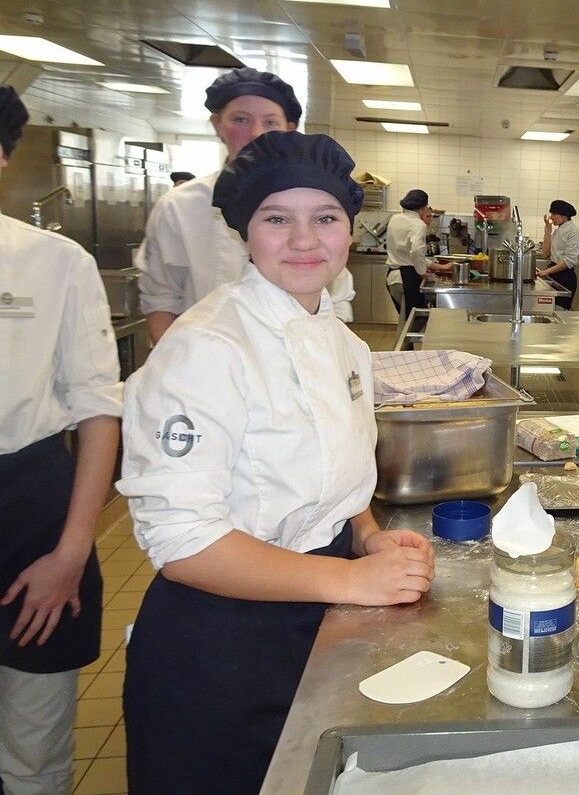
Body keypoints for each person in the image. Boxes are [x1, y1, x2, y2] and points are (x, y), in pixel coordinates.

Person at [118, 131, 436, 795]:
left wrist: (367, 536)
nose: (304, 240)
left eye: (325, 217)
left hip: (315, 620)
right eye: (276, 219)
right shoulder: (206, 347)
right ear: (245, 233)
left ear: (349, 230)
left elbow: (336, 477)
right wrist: (352, 580)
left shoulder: (344, 344)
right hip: (219, 642)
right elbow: (183, 543)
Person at [0, 85, 122, 794]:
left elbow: (98, 410)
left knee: (31, 747)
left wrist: (72, 551)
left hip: (30, 513)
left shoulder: (53, 261)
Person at [135, 67, 355, 343]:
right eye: (240, 120)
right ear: (217, 125)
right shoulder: (180, 206)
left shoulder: (314, 196)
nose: (256, 133)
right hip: (207, 356)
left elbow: (335, 296)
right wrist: (180, 360)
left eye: (270, 122)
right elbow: (161, 298)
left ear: (289, 129)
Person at [385, 188, 452, 318]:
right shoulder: (419, 225)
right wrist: (422, 273)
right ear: (422, 208)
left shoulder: (394, 219)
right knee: (414, 321)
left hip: (392, 278)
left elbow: (411, 256)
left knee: (405, 319)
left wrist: (440, 267)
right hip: (407, 278)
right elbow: (416, 252)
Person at [536, 199, 579, 304]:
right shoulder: (558, 231)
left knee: (560, 309)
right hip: (554, 275)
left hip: (565, 277)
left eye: (554, 214)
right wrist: (548, 231)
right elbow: (545, 253)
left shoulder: (574, 232)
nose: (551, 217)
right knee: (550, 307)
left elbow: (569, 261)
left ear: (563, 216)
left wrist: (547, 272)